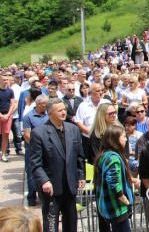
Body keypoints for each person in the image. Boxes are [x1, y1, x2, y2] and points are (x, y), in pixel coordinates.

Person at [30, 98, 86, 232]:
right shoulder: (39, 133)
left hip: (70, 185)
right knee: (51, 224)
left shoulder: (73, 129)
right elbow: (35, 163)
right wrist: (44, 181)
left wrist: (80, 175)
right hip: (51, 187)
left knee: (71, 222)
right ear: (50, 113)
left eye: (64, 109)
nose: (63, 112)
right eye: (59, 110)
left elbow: (79, 156)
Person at [94, 125, 140, 232]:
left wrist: (131, 180)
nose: (126, 139)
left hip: (110, 207)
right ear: (115, 139)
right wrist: (125, 200)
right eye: (124, 137)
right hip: (117, 207)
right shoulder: (113, 157)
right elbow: (113, 184)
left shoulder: (105, 154)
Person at [23, 94, 49, 207]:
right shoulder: (28, 117)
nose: (48, 106)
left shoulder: (48, 116)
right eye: (46, 104)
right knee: (32, 173)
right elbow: (27, 135)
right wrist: (37, 146)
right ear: (39, 104)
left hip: (47, 149)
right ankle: (31, 197)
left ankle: (44, 195)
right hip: (33, 149)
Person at [0, 72, 16, 162]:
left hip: (7, 115)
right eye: (4, 80)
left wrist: (8, 115)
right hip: (1, 114)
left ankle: (3, 154)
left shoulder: (10, 91)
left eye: (7, 80)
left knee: (5, 135)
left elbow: (12, 103)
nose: (6, 81)